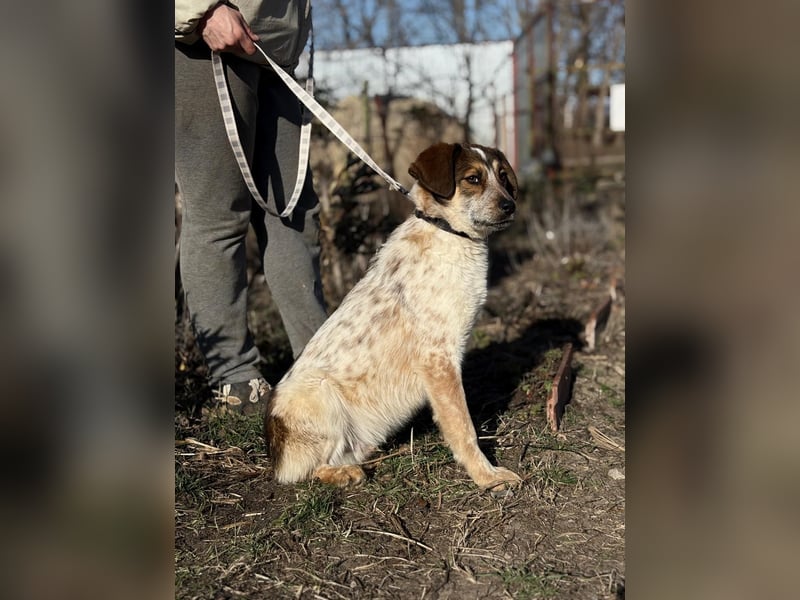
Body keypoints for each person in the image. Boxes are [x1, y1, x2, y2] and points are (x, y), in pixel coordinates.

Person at [175, 1, 327, 415]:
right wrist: (198, 9)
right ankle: (235, 380)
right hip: (206, 38)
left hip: (272, 48)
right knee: (220, 215)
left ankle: (322, 364)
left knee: (293, 212)